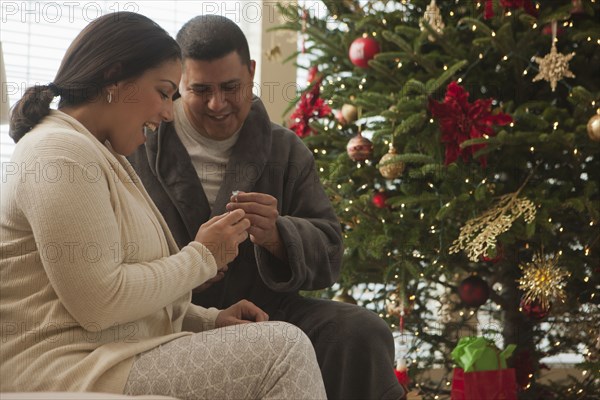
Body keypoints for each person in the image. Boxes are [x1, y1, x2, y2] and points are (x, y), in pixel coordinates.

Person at [0, 12, 327, 399]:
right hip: (66, 368)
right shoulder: (59, 154)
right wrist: (203, 256)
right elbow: (100, 304)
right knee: (283, 350)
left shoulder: (100, 156)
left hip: (106, 356)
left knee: (286, 340)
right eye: (163, 92)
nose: (168, 113)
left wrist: (208, 319)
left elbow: (113, 292)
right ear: (115, 78)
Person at [128, 14, 407, 400]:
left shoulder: (285, 150)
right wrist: (190, 265)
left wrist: (280, 235)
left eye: (231, 87)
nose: (217, 103)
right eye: (200, 90)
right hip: (172, 321)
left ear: (252, 72)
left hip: (265, 315)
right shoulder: (139, 146)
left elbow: (330, 252)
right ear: (178, 81)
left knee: (359, 330)